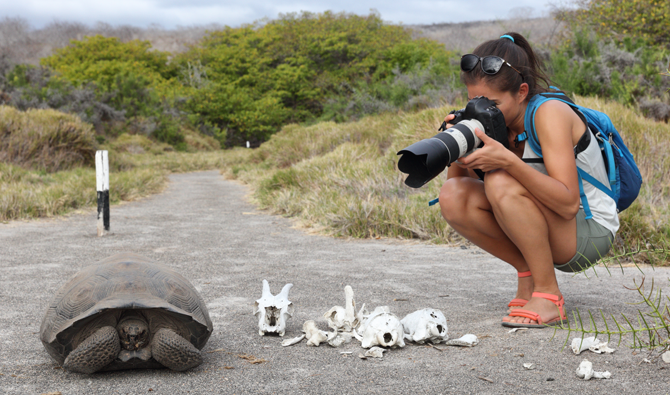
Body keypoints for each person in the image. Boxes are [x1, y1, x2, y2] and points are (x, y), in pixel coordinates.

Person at [439, 32, 619, 328]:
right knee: (453, 194)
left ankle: (549, 296)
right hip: (551, 224)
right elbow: (461, 186)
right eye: (474, 101)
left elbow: (567, 204)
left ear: (522, 92)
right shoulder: (493, 124)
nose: (483, 109)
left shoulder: (549, 113)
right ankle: (529, 276)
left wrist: (508, 161)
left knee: (499, 181)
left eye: (493, 103)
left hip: (588, 229)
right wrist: (459, 146)